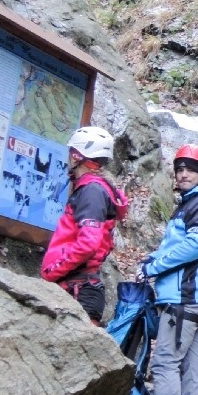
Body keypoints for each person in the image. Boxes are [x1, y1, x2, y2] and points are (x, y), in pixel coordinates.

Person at [140, 144, 198, 395]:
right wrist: (152, 258)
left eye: (191, 169)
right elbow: (175, 246)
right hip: (192, 295)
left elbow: (193, 247)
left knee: (165, 362)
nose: (183, 174)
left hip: (184, 296)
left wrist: (152, 269)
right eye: (179, 169)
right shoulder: (193, 202)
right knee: (192, 363)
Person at [41, 126, 126, 325]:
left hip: (77, 291)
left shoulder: (92, 192)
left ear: (77, 155)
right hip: (76, 288)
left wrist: (53, 270)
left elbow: (89, 243)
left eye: (71, 152)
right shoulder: (92, 188)